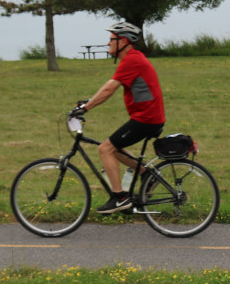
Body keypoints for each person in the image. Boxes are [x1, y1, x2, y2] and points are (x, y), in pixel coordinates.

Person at [70, 22, 165, 214]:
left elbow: (109, 89)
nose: (108, 44)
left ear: (123, 41)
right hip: (148, 116)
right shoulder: (132, 59)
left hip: (146, 118)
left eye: (111, 40)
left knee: (105, 148)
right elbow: (109, 88)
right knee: (114, 148)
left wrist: (86, 108)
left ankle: (120, 198)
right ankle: (147, 174)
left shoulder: (132, 60)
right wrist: (87, 102)